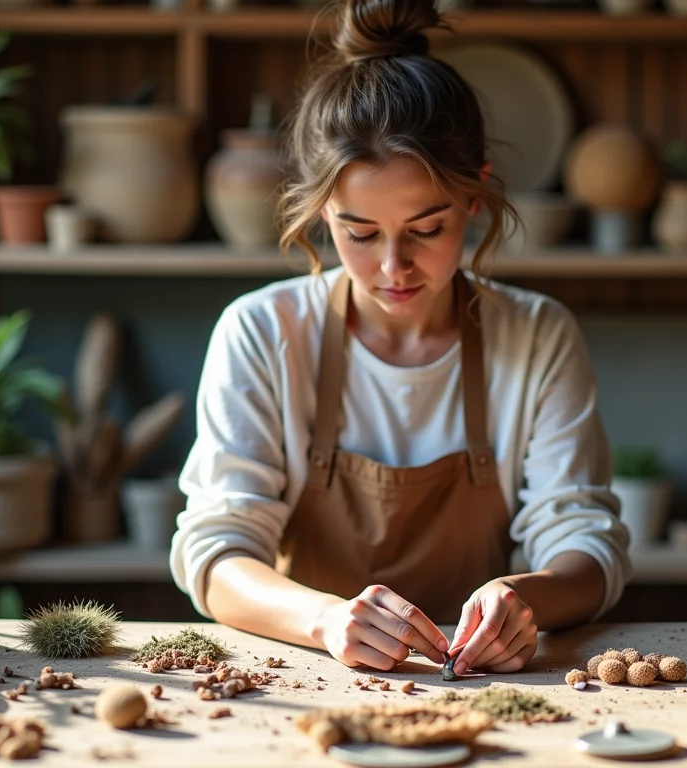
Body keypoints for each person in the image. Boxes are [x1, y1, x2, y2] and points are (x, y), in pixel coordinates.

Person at [169, 0, 632, 676]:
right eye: (359, 233)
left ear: (475, 197)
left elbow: (587, 546)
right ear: (323, 212)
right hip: (306, 678)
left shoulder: (536, 337)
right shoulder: (263, 332)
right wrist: (326, 619)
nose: (393, 267)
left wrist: (524, 597)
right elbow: (216, 555)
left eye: (426, 228)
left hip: (477, 680)